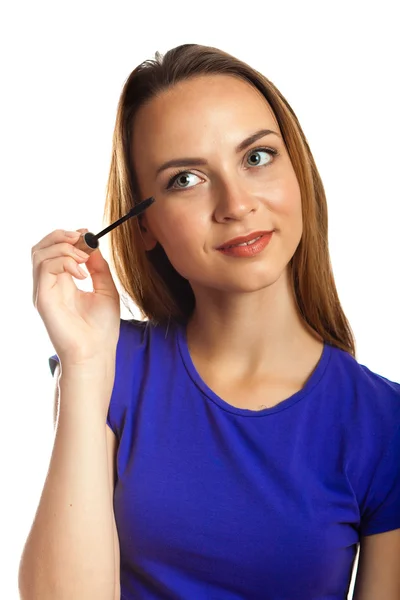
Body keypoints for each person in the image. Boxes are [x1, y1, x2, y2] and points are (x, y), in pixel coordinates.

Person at [19, 44, 400, 600]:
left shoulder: (383, 424)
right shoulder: (107, 368)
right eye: (185, 180)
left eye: (257, 157)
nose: (236, 203)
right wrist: (83, 363)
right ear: (143, 226)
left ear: (298, 171)